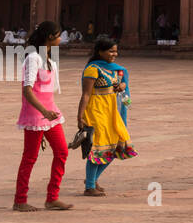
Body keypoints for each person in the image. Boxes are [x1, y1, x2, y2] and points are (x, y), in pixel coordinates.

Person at [13, 21, 72, 212]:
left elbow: (47, 91)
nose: (60, 38)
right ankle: (20, 200)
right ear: (49, 37)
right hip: (36, 114)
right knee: (30, 157)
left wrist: (49, 111)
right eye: (58, 35)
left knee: (62, 151)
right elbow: (27, 90)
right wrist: (43, 112)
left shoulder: (49, 60)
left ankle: (52, 197)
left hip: (49, 113)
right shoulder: (33, 59)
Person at [77, 36, 138, 197]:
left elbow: (120, 86)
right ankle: (90, 186)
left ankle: (92, 180)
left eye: (116, 51)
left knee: (118, 146)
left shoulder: (114, 69)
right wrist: (80, 116)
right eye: (111, 51)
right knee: (98, 148)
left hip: (112, 112)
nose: (114, 54)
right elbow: (86, 94)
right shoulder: (93, 69)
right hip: (96, 112)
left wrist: (122, 85)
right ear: (100, 52)